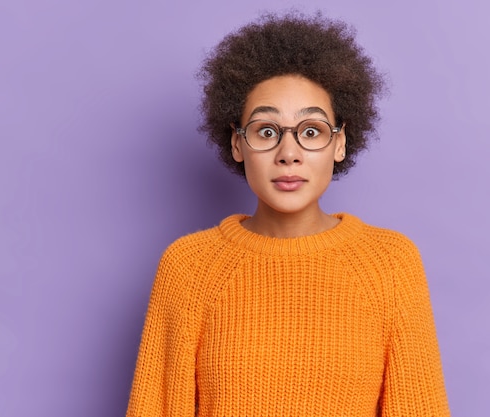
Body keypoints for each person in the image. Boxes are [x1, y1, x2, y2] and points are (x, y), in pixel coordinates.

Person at [126, 12, 450, 417]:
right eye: (266, 131)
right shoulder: (189, 267)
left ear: (340, 143)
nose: (289, 153)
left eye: (311, 131)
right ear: (238, 144)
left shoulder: (390, 264)